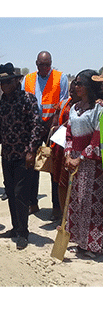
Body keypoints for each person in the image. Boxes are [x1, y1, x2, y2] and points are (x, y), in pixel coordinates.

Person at [0, 63, 45, 250]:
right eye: (2, 83)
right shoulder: (3, 102)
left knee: (20, 194)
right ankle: (15, 227)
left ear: (16, 81)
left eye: (7, 82)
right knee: (9, 192)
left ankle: (23, 232)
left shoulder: (28, 99)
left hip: (23, 156)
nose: (4, 86)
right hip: (7, 155)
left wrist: (31, 151)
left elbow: (37, 127)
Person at [22, 51, 68, 220]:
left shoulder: (60, 77)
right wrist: (34, 126)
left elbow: (63, 102)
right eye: (42, 65)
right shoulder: (28, 79)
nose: (45, 68)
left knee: (53, 167)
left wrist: (53, 124)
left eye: (48, 64)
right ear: (36, 64)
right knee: (32, 165)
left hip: (51, 127)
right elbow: (24, 101)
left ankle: (56, 206)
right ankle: (32, 203)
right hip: (33, 127)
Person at [64, 69, 103, 258]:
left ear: (88, 85)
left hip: (92, 164)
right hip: (74, 162)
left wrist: (80, 158)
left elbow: (97, 139)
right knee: (76, 202)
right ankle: (80, 241)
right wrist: (68, 155)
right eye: (76, 83)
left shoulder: (99, 109)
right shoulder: (74, 107)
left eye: (79, 83)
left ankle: (93, 246)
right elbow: (69, 134)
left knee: (91, 204)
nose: (76, 86)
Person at [50, 80, 81, 215]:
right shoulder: (63, 105)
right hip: (62, 148)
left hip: (79, 149)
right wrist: (63, 126)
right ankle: (62, 213)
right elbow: (54, 124)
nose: (72, 94)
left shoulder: (87, 107)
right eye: (70, 91)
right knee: (60, 182)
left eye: (75, 92)